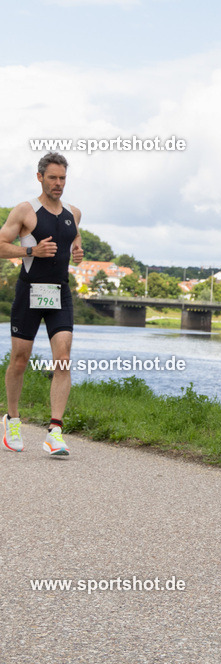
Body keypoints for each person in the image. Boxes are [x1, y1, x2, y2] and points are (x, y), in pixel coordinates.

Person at [0, 153, 85, 456]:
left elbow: (73, 239)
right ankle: (12, 419)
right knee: (20, 359)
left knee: (62, 358)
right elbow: (1, 245)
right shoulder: (26, 211)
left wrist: (77, 251)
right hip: (29, 293)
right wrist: (32, 250)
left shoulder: (73, 213)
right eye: (52, 178)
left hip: (59, 293)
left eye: (62, 178)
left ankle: (56, 431)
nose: (58, 183)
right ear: (40, 177)